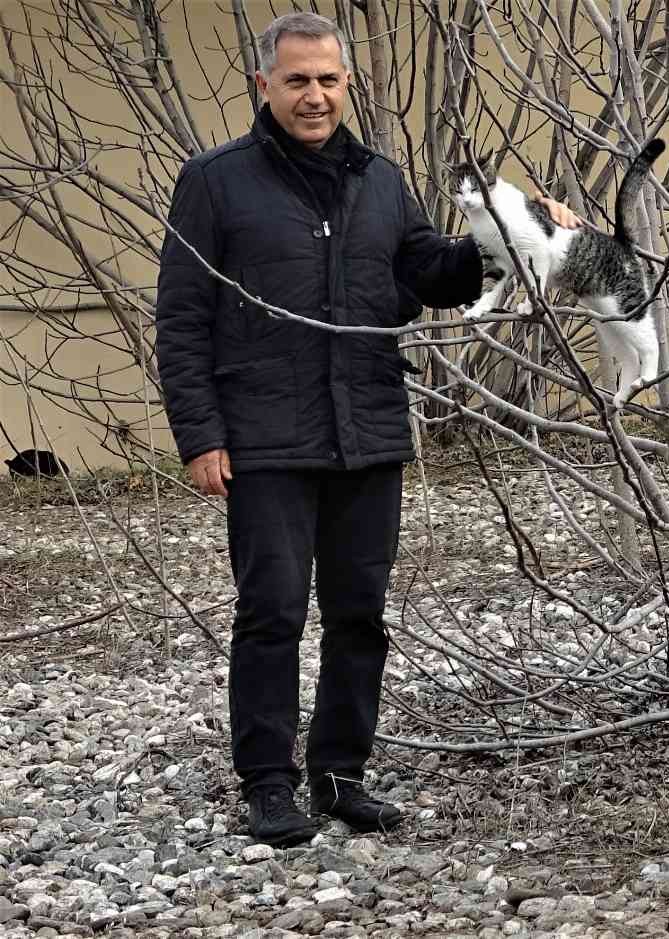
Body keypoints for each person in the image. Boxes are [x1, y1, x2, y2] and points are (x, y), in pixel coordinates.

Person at [154, 11, 581, 847]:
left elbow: (431, 274)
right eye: (298, 80)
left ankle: (341, 774)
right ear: (264, 86)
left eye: (328, 80)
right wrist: (201, 434)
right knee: (271, 611)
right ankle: (270, 784)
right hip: (265, 437)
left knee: (360, 614)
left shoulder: (381, 180)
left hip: (368, 431)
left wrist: (514, 235)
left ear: (347, 84)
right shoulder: (214, 182)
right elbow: (181, 316)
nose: (315, 96)